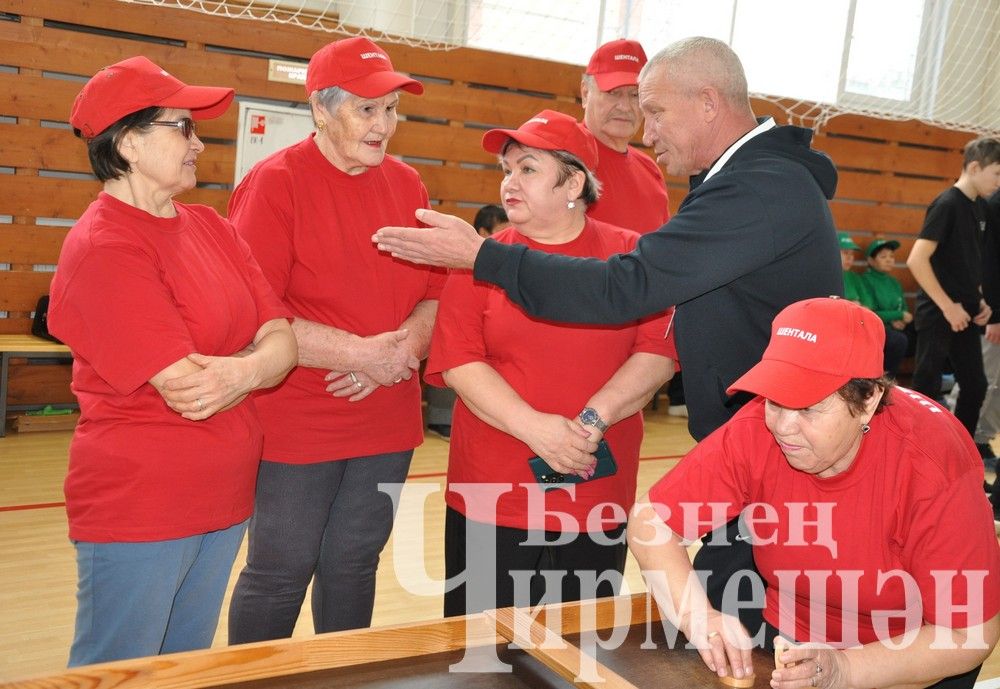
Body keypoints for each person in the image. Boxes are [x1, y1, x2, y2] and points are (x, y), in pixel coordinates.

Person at [374, 36, 842, 634]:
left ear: (706, 102)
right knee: (722, 605)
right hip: (752, 442)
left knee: (733, 616)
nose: (646, 131)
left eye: (655, 110)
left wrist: (484, 260)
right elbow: (465, 356)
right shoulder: (751, 180)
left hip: (772, 443)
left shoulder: (755, 187)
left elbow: (632, 290)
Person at [48, 57, 297, 666]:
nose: (199, 142)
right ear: (128, 142)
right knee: (121, 670)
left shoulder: (210, 226)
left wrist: (240, 368)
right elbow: (189, 389)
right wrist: (254, 361)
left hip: (224, 496)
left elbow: (284, 341)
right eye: (181, 128)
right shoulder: (104, 247)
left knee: (184, 669)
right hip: (144, 505)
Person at [628, 297, 1000, 689]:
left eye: (807, 408)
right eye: (774, 400)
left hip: (905, 658)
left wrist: (846, 669)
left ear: (868, 400)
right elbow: (650, 521)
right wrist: (698, 617)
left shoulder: (932, 463)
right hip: (788, 639)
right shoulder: (757, 427)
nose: (784, 427)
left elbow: (967, 635)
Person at [226, 37, 445, 643]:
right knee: (280, 571)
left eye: (392, 110)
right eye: (367, 109)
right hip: (298, 419)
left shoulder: (407, 186)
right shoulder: (275, 184)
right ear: (321, 110)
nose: (384, 125)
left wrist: (395, 355)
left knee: (353, 566)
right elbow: (252, 314)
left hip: (387, 414)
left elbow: (436, 293)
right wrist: (362, 354)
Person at [425, 110, 676, 616]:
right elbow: (460, 362)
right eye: (506, 169)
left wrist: (590, 422)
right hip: (490, 492)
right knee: (482, 653)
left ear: (574, 181)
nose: (509, 183)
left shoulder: (630, 258)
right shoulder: (481, 258)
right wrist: (538, 430)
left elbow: (658, 352)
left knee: (580, 647)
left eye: (528, 169)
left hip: (593, 487)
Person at [581, 38, 687, 417]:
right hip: (574, 333)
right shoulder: (563, 156)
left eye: (635, 95)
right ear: (584, 92)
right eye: (613, 93)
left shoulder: (650, 169)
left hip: (632, 349)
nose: (625, 107)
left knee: (612, 467)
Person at [907, 136, 1000, 439]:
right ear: (975, 167)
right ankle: (913, 449)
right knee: (926, 386)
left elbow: (969, 262)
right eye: (997, 173)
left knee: (976, 385)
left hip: (966, 313)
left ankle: (958, 447)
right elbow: (917, 260)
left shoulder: (980, 209)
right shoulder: (947, 203)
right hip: (939, 313)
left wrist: (981, 299)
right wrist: (948, 306)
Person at [425, 204, 509, 440]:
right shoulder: (458, 263)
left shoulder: (509, 264)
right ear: (483, 232)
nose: (509, 237)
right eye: (503, 230)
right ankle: (439, 419)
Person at [861, 237, 913, 378]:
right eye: (883, 256)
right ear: (871, 261)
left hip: (897, 327)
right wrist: (898, 316)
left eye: (891, 256)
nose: (889, 259)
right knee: (898, 340)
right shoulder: (865, 280)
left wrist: (902, 319)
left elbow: (904, 308)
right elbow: (871, 313)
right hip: (878, 329)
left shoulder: (894, 282)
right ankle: (885, 380)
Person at [975, 189, 1000, 471]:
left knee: (998, 385)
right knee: (985, 380)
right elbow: (989, 264)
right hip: (992, 313)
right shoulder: (994, 205)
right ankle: (964, 437)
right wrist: (995, 314)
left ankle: (982, 438)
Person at [837, 232, 870, 304]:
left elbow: (868, 305)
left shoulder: (855, 277)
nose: (849, 258)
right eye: (845, 253)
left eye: (852, 254)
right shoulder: (825, 277)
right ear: (833, 252)